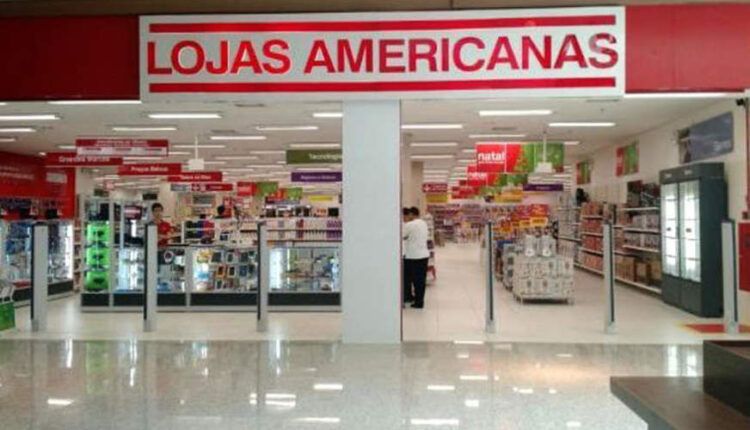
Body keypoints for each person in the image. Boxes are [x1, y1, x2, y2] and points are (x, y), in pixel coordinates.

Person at [403, 206, 430, 309]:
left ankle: (415, 301)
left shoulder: (409, 225)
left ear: (411, 214)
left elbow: (402, 235)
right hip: (424, 255)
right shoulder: (423, 223)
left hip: (413, 256)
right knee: (420, 281)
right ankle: (419, 300)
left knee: (411, 279)